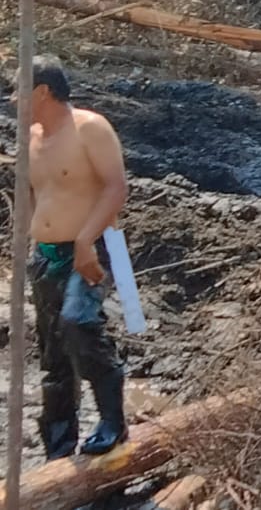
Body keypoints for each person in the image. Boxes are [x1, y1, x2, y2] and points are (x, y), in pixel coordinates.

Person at [24, 55, 130, 458]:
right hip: (46, 254)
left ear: (42, 91)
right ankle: (59, 440)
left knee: (79, 323)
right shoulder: (31, 138)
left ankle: (112, 423)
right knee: (53, 352)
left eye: (21, 89)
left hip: (93, 245)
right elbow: (35, 194)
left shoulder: (90, 128)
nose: (15, 97)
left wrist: (86, 241)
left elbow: (115, 187)